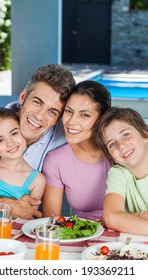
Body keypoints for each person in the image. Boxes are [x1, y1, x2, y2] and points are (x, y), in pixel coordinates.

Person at [0, 64, 75, 218]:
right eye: (37, 102)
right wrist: (8, 205)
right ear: (23, 97)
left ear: (59, 119)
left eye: (52, 112)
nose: (40, 116)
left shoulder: (62, 136)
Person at [42, 80, 111, 221]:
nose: (71, 121)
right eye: (69, 111)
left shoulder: (119, 152)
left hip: (130, 232)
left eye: (84, 115)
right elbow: (51, 220)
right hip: (84, 233)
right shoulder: (56, 160)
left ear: (101, 119)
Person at [0, 107, 45, 209]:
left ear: (23, 132)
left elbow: (30, 216)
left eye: (14, 133)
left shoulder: (37, 180)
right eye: (0, 140)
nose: (10, 143)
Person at [94, 107, 148, 235]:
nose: (121, 146)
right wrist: (141, 215)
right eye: (112, 144)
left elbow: (115, 220)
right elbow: (112, 218)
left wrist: (134, 216)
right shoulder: (118, 173)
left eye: (126, 135)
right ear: (111, 156)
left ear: (145, 134)